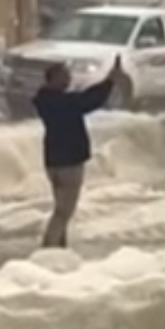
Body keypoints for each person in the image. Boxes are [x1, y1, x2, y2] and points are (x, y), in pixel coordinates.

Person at [33, 60, 119, 247]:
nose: (68, 78)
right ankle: (48, 247)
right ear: (54, 78)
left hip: (53, 161)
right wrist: (109, 82)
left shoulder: (45, 100)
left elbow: (83, 99)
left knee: (60, 207)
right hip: (69, 162)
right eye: (64, 75)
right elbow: (88, 100)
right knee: (64, 211)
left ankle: (60, 245)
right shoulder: (61, 102)